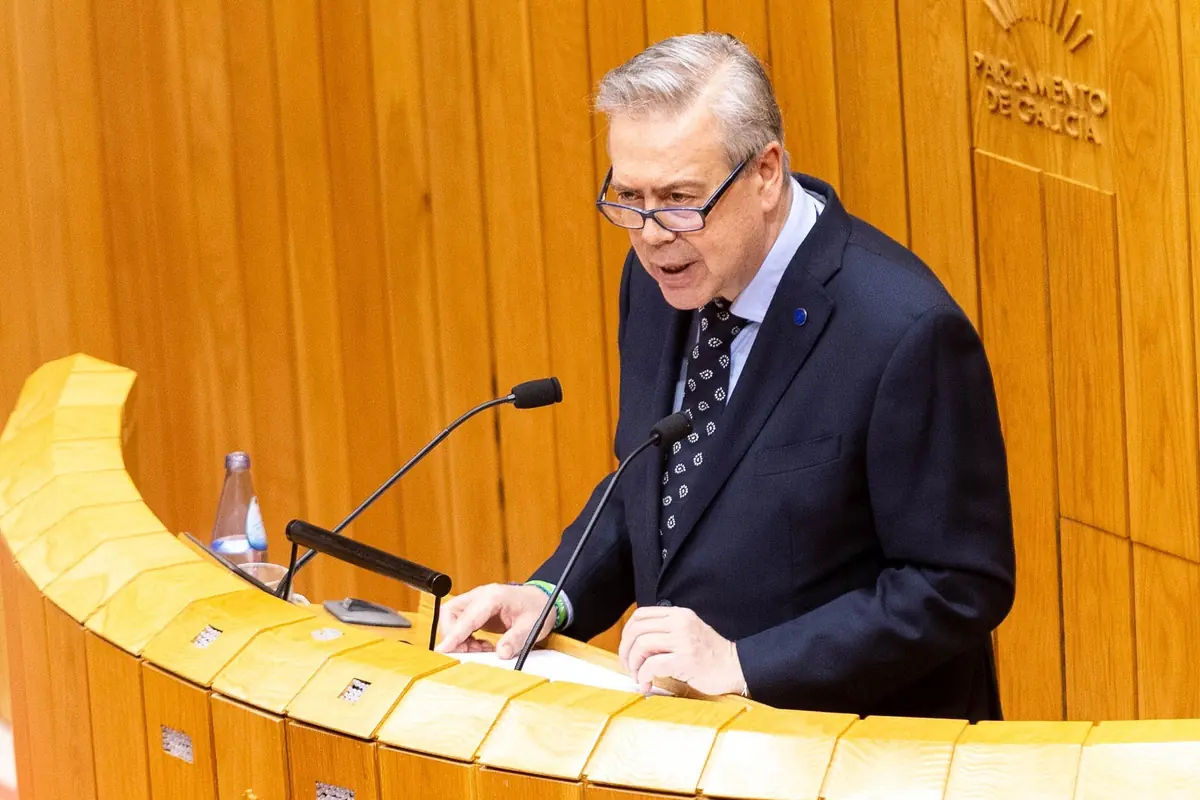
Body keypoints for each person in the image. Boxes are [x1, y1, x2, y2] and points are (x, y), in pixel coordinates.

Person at [436, 32, 1015, 721]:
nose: (651, 234)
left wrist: (744, 664)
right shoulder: (660, 280)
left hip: (851, 747)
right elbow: (652, 486)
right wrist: (551, 595)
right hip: (692, 740)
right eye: (629, 197)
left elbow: (957, 584)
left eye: (680, 198)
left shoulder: (902, 331)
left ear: (765, 172)